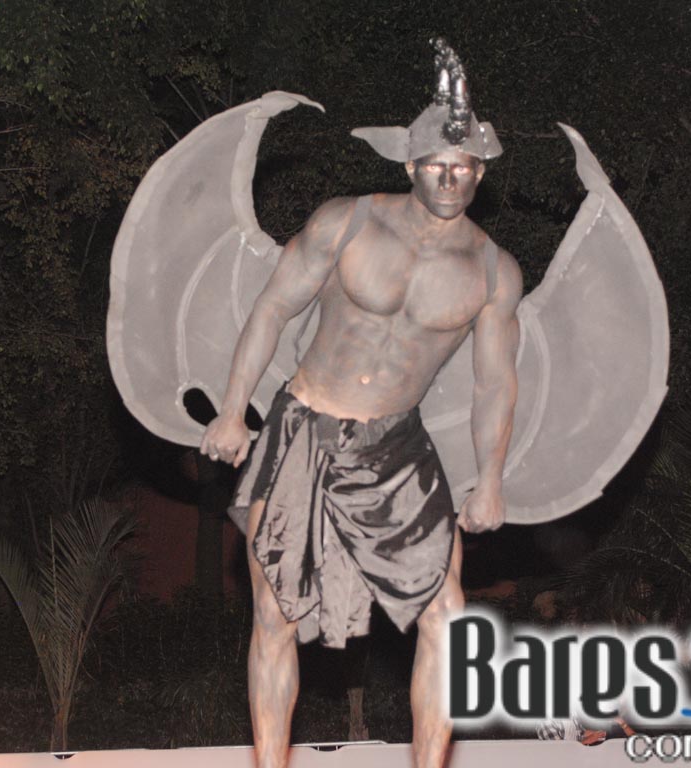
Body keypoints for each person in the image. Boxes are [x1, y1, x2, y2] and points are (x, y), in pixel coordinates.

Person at [200, 40, 521, 768]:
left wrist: (491, 478)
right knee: (275, 614)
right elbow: (272, 308)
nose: (451, 178)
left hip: (397, 447)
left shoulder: (493, 271)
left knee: (449, 615)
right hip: (303, 429)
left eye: (465, 166)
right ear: (408, 164)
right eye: (436, 165)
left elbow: (495, 383)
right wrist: (232, 409)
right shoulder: (346, 221)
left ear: (481, 172)